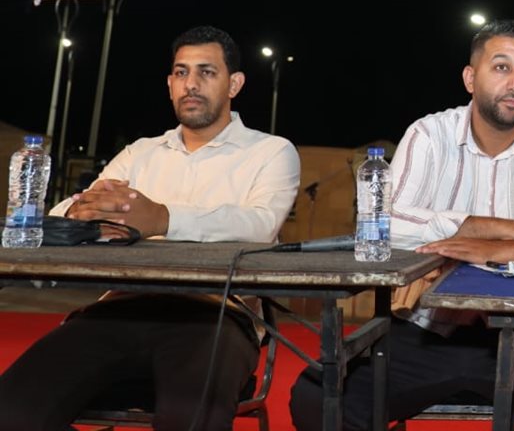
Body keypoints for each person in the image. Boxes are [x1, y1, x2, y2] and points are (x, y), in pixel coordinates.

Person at [289, 19, 514, 431]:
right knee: (317, 396)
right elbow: (383, 224)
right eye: (502, 67)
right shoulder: (429, 134)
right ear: (470, 77)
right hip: (426, 332)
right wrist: (487, 227)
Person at [0, 25, 300, 431]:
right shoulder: (140, 153)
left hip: (217, 316)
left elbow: (260, 225)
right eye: (181, 72)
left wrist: (162, 218)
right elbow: (68, 210)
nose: (190, 84)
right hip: (118, 309)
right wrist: (83, 215)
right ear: (169, 84)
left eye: (207, 72)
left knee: (190, 417)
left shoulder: (270, 152)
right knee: (12, 410)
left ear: (235, 84)